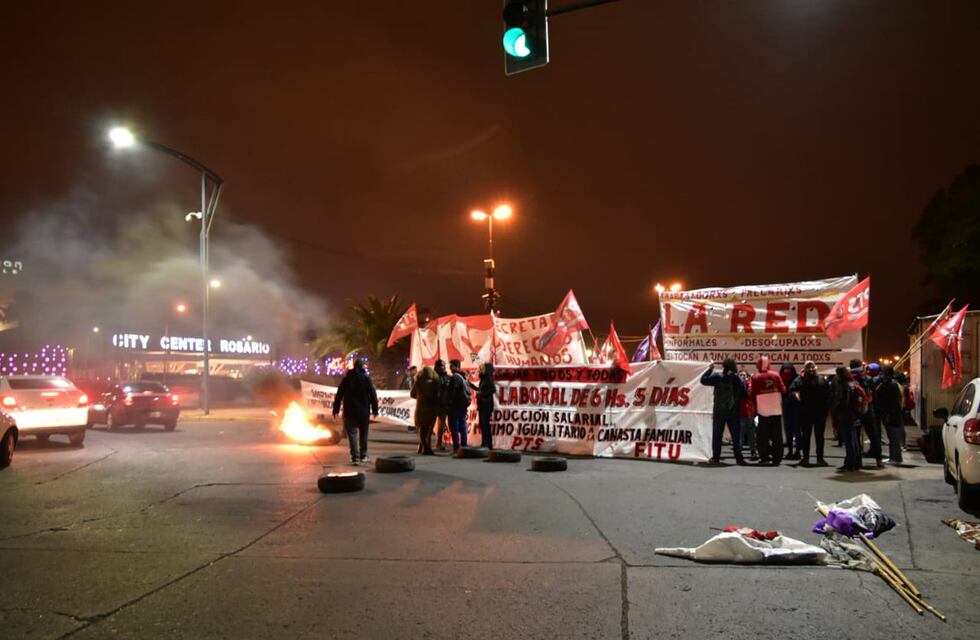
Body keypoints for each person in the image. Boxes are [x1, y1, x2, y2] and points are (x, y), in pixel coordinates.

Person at [700, 359, 747, 465]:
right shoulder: (736, 378)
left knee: (717, 435)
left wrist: (710, 370)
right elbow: (744, 393)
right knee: (735, 436)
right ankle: (739, 458)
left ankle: (716, 457)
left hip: (719, 411)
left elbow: (703, 380)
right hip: (733, 411)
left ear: (724, 366)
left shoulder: (717, 376)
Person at [332, 358, 379, 465]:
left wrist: (336, 409)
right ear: (362, 367)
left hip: (349, 412)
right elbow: (373, 395)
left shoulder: (347, 379)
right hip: (363, 412)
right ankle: (363, 456)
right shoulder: (366, 379)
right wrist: (375, 409)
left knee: (352, 435)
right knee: (363, 434)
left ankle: (355, 457)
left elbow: (339, 395)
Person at [789, 360, 830, 466]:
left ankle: (820, 458)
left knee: (819, 437)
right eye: (808, 367)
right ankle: (805, 457)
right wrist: (795, 395)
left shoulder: (821, 379)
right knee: (806, 436)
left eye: (812, 367)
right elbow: (792, 389)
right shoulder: (800, 379)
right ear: (805, 369)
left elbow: (828, 394)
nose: (811, 369)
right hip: (805, 412)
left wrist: (827, 409)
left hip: (819, 413)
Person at [751, 356, 786, 466]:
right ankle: (777, 458)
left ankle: (764, 457)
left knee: (763, 435)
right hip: (776, 408)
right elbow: (783, 389)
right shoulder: (776, 375)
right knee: (777, 435)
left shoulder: (755, 376)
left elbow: (752, 393)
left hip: (762, 410)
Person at [829, 366, 861, 471]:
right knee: (855, 440)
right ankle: (856, 463)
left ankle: (850, 464)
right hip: (855, 414)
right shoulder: (854, 383)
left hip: (846, 415)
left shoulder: (843, 385)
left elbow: (843, 401)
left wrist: (834, 410)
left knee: (849, 441)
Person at [874, 365, 906, 465]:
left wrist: (889, 414)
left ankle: (896, 458)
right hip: (889, 414)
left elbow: (894, 402)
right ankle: (893, 457)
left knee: (894, 437)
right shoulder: (887, 383)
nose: (881, 374)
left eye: (882, 372)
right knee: (891, 437)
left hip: (892, 415)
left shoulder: (892, 385)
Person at [410, 366, 441, 455]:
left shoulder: (418, 382)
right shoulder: (436, 382)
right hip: (432, 408)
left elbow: (412, 394)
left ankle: (424, 447)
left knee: (422, 429)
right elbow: (439, 394)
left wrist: (420, 398)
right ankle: (427, 447)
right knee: (429, 430)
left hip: (421, 408)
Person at [447, 359, 472, 451]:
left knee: (454, 428)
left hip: (455, 407)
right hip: (462, 406)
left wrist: (449, 404)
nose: (450, 368)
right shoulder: (463, 377)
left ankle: (456, 449)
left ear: (457, 366)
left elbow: (452, 393)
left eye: (452, 366)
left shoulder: (455, 378)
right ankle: (464, 448)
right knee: (462, 427)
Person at [779, 364, 802, 460]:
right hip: (787, 406)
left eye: (789, 370)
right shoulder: (781, 379)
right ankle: (791, 451)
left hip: (795, 406)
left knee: (796, 430)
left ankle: (797, 451)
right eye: (785, 370)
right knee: (789, 429)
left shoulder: (797, 379)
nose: (787, 372)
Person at [738, 371, 757, 460]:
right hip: (740, 411)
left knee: (751, 433)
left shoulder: (750, 384)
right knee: (740, 433)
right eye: (741, 375)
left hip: (750, 411)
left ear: (747, 376)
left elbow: (750, 394)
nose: (742, 376)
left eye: (744, 375)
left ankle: (753, 451)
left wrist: (748, 382)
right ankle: (739, 452)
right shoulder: (737, 384)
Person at [476, 362, 496, 449]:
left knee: (485, 425)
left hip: (486, 405)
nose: (480, 370)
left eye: (481, 369)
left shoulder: (488, 378)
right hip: (483, 404)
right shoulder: (484, 378)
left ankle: (487, 444)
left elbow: (493, 389)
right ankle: (485, 443)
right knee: (483, 425)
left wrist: (482, 395)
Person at [434, 359, 451, 451]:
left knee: (441, 426)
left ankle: (439, 443)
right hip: (433, 405)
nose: (443, 368)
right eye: (441, 366)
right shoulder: (433, 377)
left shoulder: (448, 378)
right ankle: (424, 444)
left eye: (444, 366)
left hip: (443, 405)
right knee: (429, 426)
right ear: (437, 367)